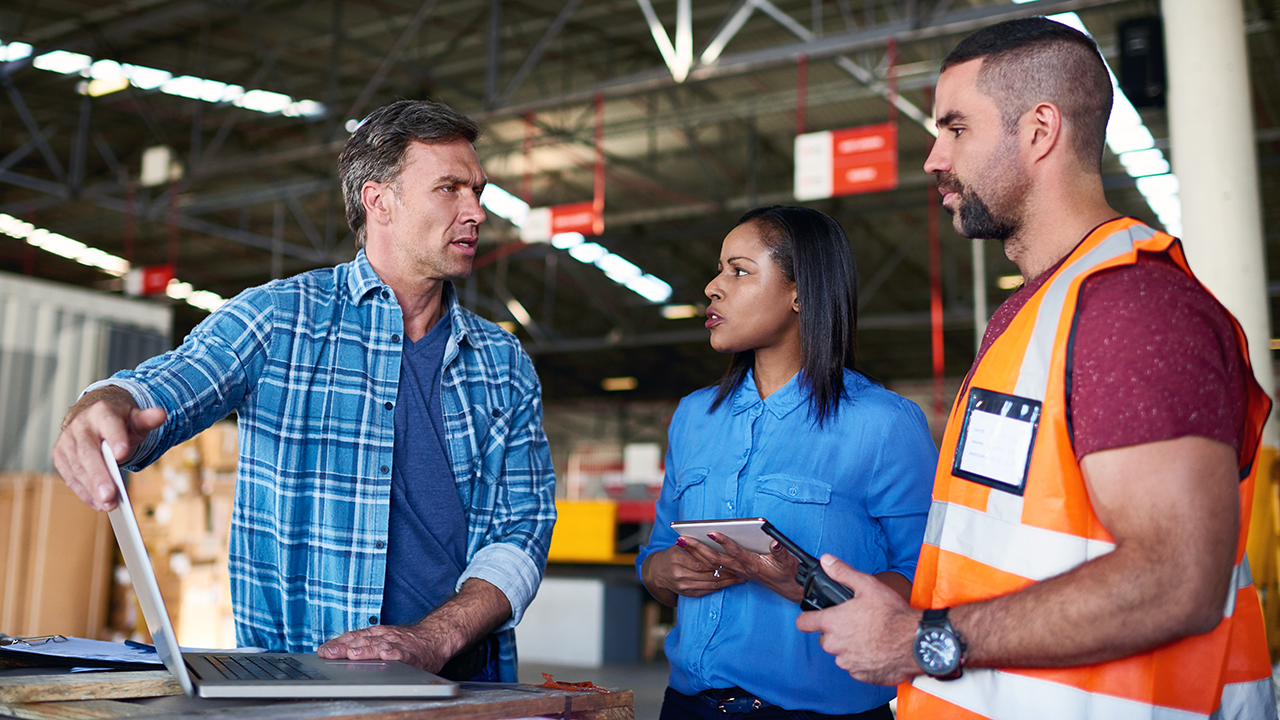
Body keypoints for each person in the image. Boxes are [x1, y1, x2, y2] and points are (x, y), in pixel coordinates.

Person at [795, 17, 1276, 719]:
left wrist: (922, 641)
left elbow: (1178, 579)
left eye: (956, 129)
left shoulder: (1133, 307)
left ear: (1040, 130)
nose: (933, 158)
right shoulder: (1044, 307)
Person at [51, 99, 555, 683]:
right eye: (450, 189)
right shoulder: (280, 319)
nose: (476, 211)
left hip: (466, 685)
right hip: (302, 683)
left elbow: (522, 530)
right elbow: (165, 385)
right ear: (379, 200)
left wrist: (433, 638)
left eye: (478, 191)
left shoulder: (502, 363)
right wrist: (103, 407)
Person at [637, 205, 937, 719]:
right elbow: (657, 558)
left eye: (739, 270)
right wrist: (667, 570)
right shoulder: (694, 417)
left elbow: (926, 585)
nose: (713, 286)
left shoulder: (882, 424)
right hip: (685, 706)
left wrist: (799, 583)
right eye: (718, 269)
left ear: (800, 292)